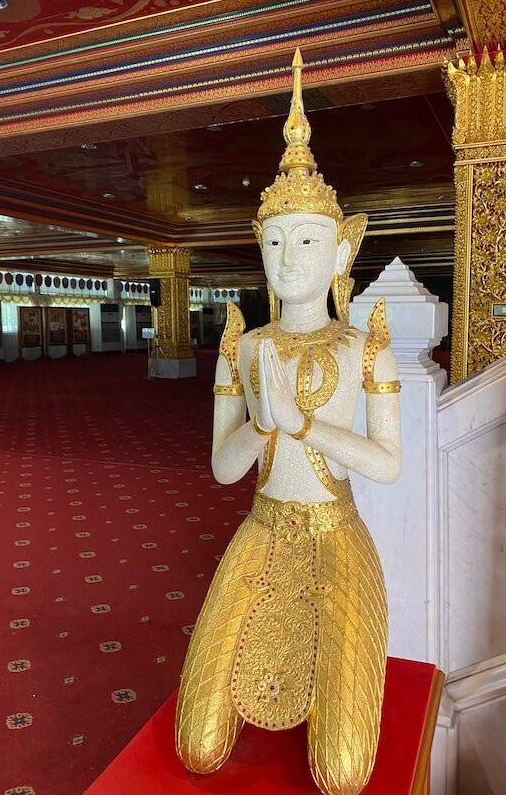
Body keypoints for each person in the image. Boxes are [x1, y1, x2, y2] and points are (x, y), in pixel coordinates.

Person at [175, 49, 402, 795]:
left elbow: (387, 464)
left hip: (336, 535)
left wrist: (304, 427)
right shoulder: (245, 348)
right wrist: (263, 426)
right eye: (274, 241)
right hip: (263, 528)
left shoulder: (364, 347)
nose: (288, 257)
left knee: (341, 772)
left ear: (342, 249)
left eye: (306, 240)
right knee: (198, 745)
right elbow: (224, 469)